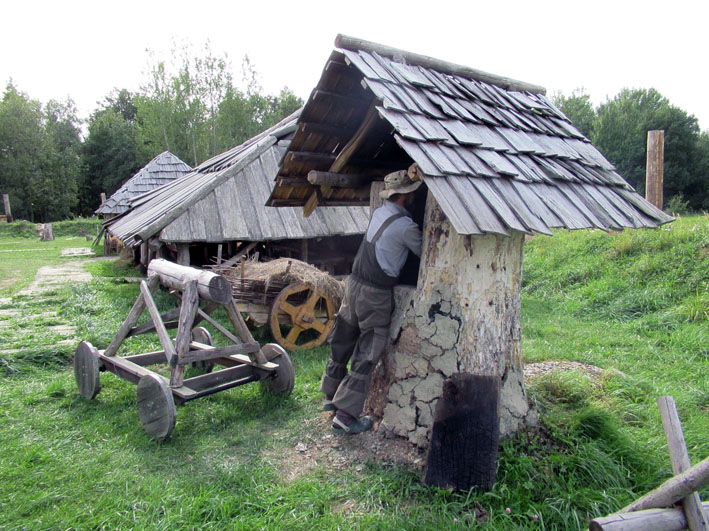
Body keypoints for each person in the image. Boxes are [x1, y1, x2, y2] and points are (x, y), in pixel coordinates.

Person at [320, 169, 423, 434]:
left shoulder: (379, 213)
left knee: (343, 339)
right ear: (407, 197)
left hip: (353, 285)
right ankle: (345, 417)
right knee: (368, 352)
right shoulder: (406, 227)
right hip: (375, 293)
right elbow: (425, 251)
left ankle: (330, 396)